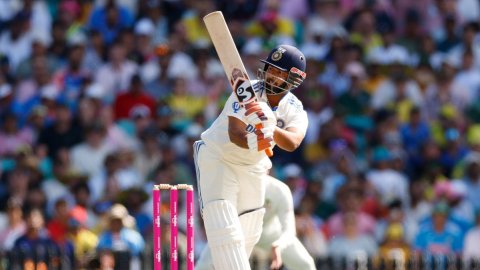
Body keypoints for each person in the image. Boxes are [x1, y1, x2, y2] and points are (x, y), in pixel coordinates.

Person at [193, 44, 308, 269]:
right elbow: (235, 133)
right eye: (271, 69)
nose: (272, 76)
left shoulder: (294, 107)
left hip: (253, 166)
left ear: (294, 79)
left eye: (279, 72)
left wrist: (271, 127)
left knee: (250, 229)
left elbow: (293, 142)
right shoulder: (247, 90)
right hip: (219, 157)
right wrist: (256, 139)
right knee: (223, 220)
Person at [196, 175, 317, 270]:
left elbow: (289, 230)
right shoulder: (233, 185)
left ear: (268, 169)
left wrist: (279, 244)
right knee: (203, 266)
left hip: (271, 237)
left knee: (306, 264)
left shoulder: (279, 190)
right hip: (238, 235)